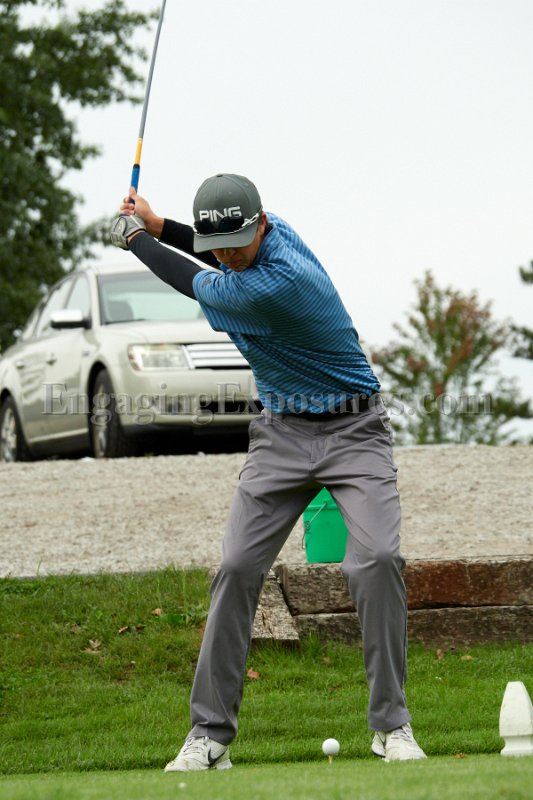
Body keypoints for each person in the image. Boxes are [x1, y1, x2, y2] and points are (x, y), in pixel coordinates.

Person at [111, 173, 427, 770]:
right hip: (280, 434)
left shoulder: (279, 283)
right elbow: (208, 253)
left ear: (261, 224)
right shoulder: (269, 235)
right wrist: (157, 225)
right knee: (235, 567)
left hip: (355, 431)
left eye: (237, 244)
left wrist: (137, 242)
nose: (228, 256)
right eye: (219, 246)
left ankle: (392, 726)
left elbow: (191, 279)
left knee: (377, 561)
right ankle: (210, 737)